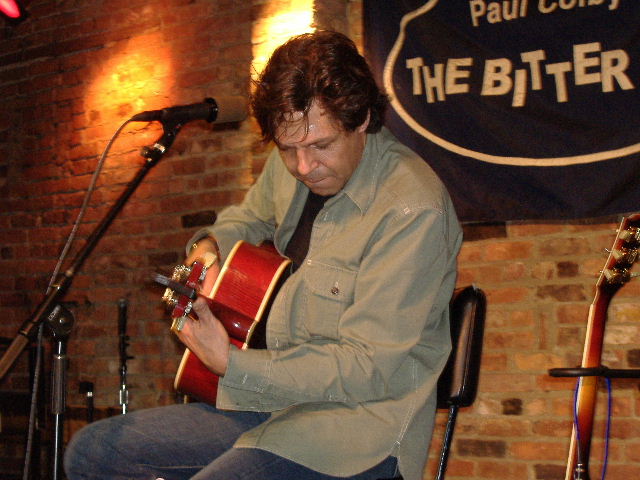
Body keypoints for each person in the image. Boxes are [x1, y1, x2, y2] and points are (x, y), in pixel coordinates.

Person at [64, 30, 462, 480]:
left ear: (364, 119)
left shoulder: (411, 208)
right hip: (267, 401)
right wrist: (207, 249)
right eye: (289, 149)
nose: (304, 167)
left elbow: (365, 368)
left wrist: (232, 364)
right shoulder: (290, 163)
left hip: (357, 429)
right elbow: (245, 219)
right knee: (93, 452)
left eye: (321, 146)